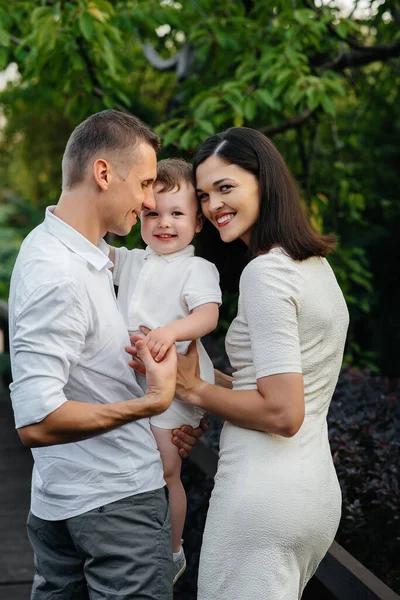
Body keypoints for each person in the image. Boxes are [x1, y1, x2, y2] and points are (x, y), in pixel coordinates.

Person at [130, 127, 350, 600]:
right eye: (205, 195)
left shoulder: (265, 273)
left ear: (264, 182)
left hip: (263, 492)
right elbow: (276, 383)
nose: (212, 206)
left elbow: (283, 413)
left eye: (225, 188)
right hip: (311, 495)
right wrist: (204, 382)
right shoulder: (311, 265)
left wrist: (194, 391)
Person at [8, 109, 202, 600]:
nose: (148, 199)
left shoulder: (70, 252)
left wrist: (190, 397)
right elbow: (37, 421)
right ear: (102, 173)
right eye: (143, 183)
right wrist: (150, 404)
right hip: (116, 509)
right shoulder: (60, 273)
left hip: (64, 503)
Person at [108, 158, 221, 583]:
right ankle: (139, 540)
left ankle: (172, 549)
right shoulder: (134, 260)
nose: (164, 223)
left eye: (177, 214)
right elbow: (92, 246)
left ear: (198, 223)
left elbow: (207, 315)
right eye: (152, 212)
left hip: (177, 382)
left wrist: (170, 331)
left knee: (165, 465)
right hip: (137, 382)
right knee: (139, 463)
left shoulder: (196, 268)